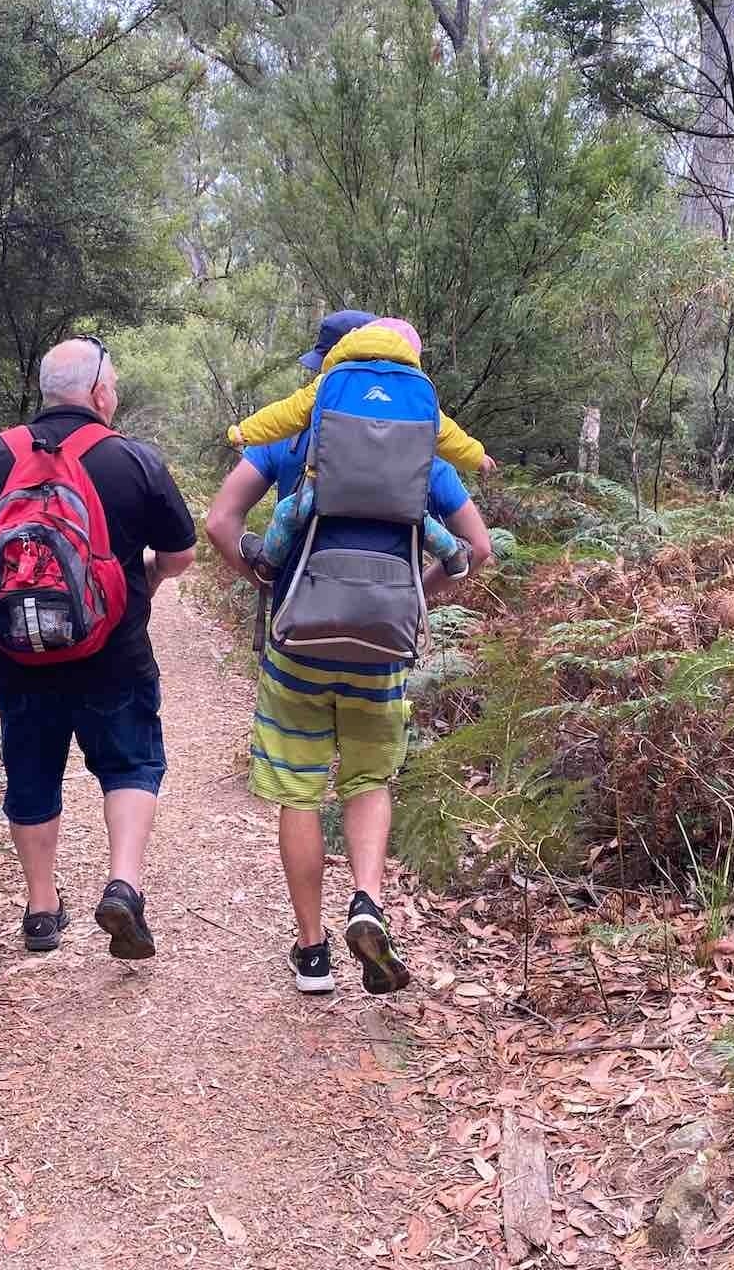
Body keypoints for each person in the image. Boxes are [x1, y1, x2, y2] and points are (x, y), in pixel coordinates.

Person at [205, 309, 496, 995]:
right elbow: (476, 549)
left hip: (298, 641)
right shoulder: (421, 451)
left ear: (327, 374)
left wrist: (271, 580)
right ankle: (367, 900)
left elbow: (220, 523)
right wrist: (417, 597)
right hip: (382, 647)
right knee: (368, 782)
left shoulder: (292, 441)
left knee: (299, 792)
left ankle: (312, 953)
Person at [0, 338, 198, 959]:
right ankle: (124, 885)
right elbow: (181, 554)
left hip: (19, 651)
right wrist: (145, 582)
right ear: (101, 391)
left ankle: (42, 911)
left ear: (47, 391)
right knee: (130, 763)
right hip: (116, 650)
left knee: (31, 769)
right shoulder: (133, 460)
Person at [224, 316, 493, 581]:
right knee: (421, 521)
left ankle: (268, 564)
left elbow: (286, 415)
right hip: (401, 498)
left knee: (287, 513)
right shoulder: (418, 394)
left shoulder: (329, 382)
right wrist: (477, 457)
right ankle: (453, 556)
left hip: (326, 492)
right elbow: (450, 437)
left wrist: (244, 431)